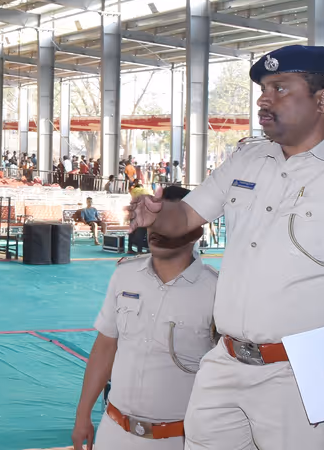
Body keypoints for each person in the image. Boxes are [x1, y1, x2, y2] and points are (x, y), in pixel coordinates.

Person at [131, 45, 324, 448]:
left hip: (304, 374)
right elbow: (185, 218)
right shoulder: (247, 158)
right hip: (225, 363)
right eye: (263, 89)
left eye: (280, 88)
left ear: (323, 100)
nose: (264, 100)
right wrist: (156, 215)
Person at [73, 185, 216, 449]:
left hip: (178, 440)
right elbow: (105, 346)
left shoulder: (216, 291)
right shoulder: (125, 275)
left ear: (195, 230)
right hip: (114, 432)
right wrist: (83, 415)